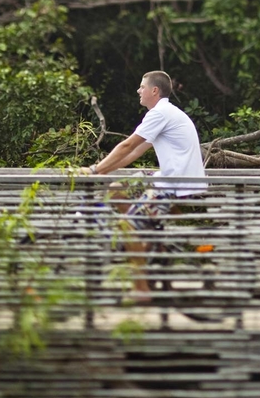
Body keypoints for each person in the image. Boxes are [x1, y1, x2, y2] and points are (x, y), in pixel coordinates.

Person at [83, 70, 206, 300]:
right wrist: (102, 172)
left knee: (124, 227)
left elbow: (128, 146)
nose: (138, 91)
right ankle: (148, 241)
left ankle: (141, 288)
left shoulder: (160, 113)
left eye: (142, 86)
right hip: (169, 179)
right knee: (116, 189)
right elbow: (136, 152)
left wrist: (94, 170)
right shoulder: (165, 112)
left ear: (154, 90)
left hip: (174, 187)